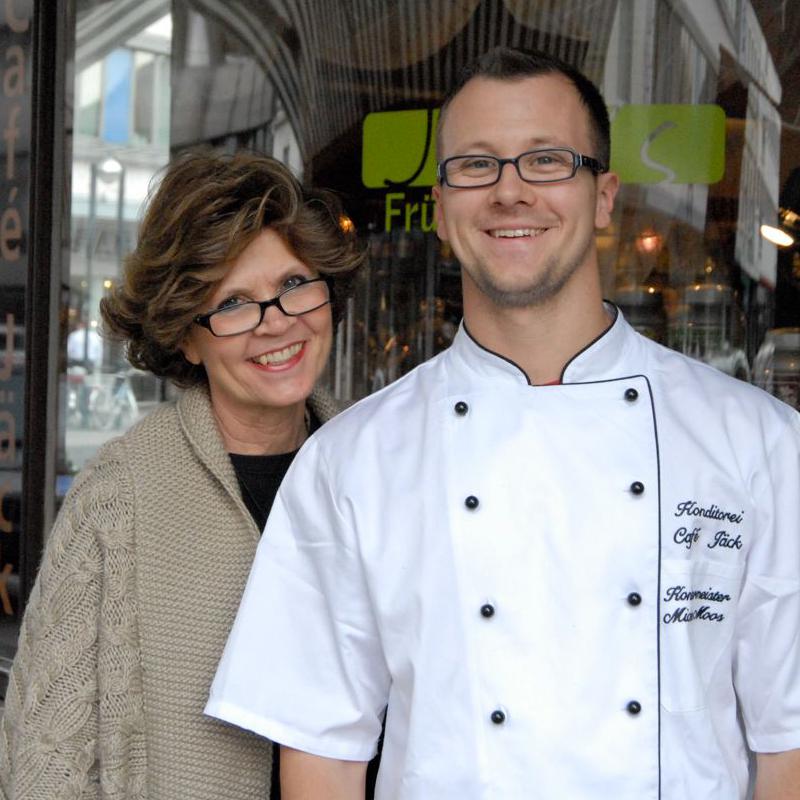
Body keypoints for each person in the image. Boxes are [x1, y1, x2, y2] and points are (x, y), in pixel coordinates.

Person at [205, 48, 800, 799]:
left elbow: (789, 745)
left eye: (547, 160)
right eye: (477, 166)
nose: (510, 192)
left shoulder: (758, 445)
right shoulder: (350, 463)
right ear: (441, 207)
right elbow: (322, 756)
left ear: (604, 195)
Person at [0, 149, 364, 799]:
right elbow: (44, 762)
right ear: (185, 336)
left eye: (292, 284)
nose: (276, 321)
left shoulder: (378, 469)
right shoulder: (119, 499)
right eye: (233, 303)